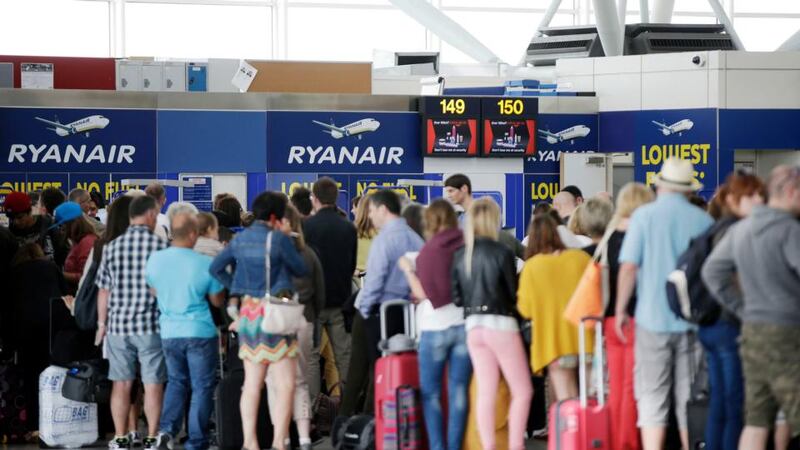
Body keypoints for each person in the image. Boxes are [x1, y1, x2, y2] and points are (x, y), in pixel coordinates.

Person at [615, 158, 713, 450]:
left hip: (651, 319)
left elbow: (629, 268)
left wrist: (621, 309)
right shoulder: (704, 221)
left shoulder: (644, 217)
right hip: (692, 321)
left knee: (652, 395)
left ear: (659, 185)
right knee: (688, 397)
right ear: (687, 190)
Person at [702, 165, 800, 450]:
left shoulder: (742, 229)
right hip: (787, 332)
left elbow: (712, 272)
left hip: (752, 331)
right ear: (792, 192)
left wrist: (743, 309)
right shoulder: (789, 231)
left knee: (757, 419)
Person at [210, 191, 308, 450]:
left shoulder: (239, 240)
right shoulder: (278, 239)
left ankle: (250, 442)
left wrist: (238, 287)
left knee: (251, 384)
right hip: (276, 315)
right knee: (285, 384)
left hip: (249, 315)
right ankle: (278, 441)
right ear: (275, 216)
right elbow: (301, 269)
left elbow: (216, 267)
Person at [685, 172, 764, 450]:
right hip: (728, 325)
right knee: (734, 405)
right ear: (733, 200)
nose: (758, 201)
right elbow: (728, 277)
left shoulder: (712, 229)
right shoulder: (735, 231)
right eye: (751, 195)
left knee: (719, 402)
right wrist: (743, 309)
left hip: (709, 323)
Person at [451, 197, 532, 450]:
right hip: (501, 326)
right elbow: (511, 293)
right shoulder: (503, 252)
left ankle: (488, 447)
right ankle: (516, 445)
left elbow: (457, 298)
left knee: (485, 391)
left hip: (473, 327)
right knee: (522, 391)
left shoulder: (461, 254)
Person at [145, 211, 225, 450]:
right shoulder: (205, 263)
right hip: (200, 331)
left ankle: (166, 431)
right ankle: (196, 440)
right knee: (202, 386)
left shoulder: (155, 260)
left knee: (177, 382)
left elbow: (153, 290)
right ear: (192, 234)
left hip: (169, 331)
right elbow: (217, 300)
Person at [583, 183, 654, 450]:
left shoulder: (609, 237)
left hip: (609, 320)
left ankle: (612, 440)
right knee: (633, 387)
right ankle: (629, 442)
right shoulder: (645, 234)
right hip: (637, 318)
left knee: (615, 385)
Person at [95, 195, 169, 450]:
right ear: (150, 215)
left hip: (118, 327)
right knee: (152, 383)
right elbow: (163, 289)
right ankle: (151, 436)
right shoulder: (160, 246)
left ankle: (120, 436)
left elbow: (103, 291)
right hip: (151, 326)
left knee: (122, 383)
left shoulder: (111, 247)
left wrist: (102, 325)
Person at [398, 199, 470, 450]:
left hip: (433, 328)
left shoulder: (428, 251)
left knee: (431, 393)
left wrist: (408, 270)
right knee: (459, 390)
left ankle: (438, 446)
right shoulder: (466, 244)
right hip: (463, 325)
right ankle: (454, 445)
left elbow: (425, 293)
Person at [266, 204, 325, 450]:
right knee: (299, 380)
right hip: (303, 320)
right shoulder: (309, 254)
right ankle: (304, 437)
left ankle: (283, 438)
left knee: (274, 381)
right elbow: (320, 295)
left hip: (273, 322)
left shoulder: (268, 253)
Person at [517, 213, 592, 400]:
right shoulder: (580, 258)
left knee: (564, 397)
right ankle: (587, 428)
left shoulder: (532, 266)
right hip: (585, 338)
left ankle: (566, 429)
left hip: (553, 341)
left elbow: (525, 309)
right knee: (587, 396)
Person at [358, 189, 424, 363]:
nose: (370, 216)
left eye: (371, 210)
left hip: (382, 314)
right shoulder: (416, 238)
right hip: (410, 314)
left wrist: (364, 311)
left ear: (383, 210)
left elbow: (375, 280)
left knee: (381, 368)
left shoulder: (383, 240)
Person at [303, 177, 357, 381]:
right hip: (341, 301)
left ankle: (313, 408)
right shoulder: (348, 228)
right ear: (336, 198)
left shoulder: (307, 227)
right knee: (344, 356)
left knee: (312, 358)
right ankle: (348, 408)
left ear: (314, 198)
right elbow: (351, 266)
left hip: (314, 303)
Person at [339, 193, 376, 417]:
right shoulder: (381, 234)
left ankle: (343, 413)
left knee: (354, 357)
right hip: (371, 291)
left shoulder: (351, 232)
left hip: (355, 291)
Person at [444, 174, 525, 259]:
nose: (449, 195)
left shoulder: (483, 211)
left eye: (451, 191)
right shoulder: (458, 218)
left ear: (464, 188)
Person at [4, 191, 68, 267]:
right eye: (11, 218)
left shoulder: (50, 226)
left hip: (49, 275)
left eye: (20, 217)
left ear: (30, 211)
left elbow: (64, 256)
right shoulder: (9, 234)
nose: (16, 222)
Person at [55, 202, 99, 294]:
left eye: (62, 226)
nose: (61, 231)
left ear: (70, 224)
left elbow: (87, 276)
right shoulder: (80, 242)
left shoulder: (86, 242)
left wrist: (60, 275)